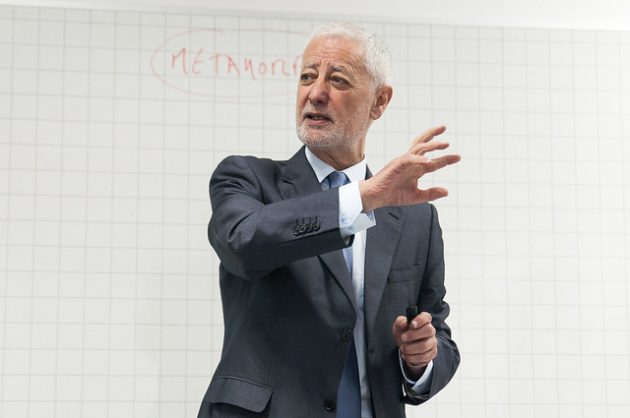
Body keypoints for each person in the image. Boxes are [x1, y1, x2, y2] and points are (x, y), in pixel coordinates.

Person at [197, 22, 461, 418]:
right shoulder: (247, 180)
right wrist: (363, 197)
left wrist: (420, 359)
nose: (316, 93)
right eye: (307, 76)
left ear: (379, 102)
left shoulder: (417, 219)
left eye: (337, 80)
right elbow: (242, 244)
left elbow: (437, 332)